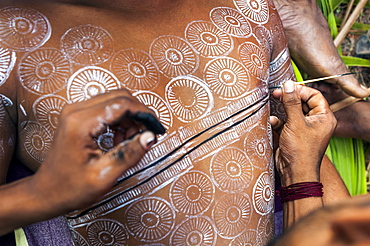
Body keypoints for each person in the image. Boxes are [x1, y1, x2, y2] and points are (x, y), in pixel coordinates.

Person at [0, 0, 294, 245]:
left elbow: (298, 148)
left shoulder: (248, 7)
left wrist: (307, 177)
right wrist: (42, 194)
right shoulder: (10, 44)